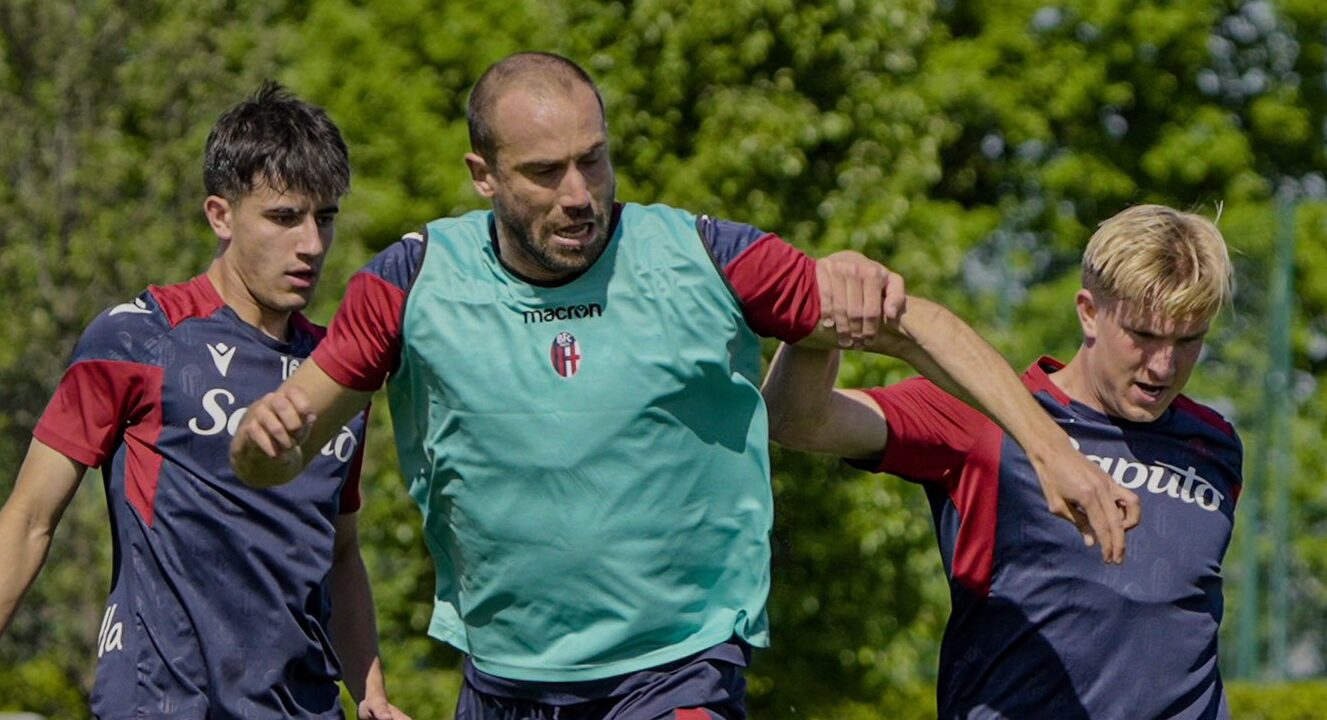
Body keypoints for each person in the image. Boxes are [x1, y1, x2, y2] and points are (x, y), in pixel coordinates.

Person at [229, 52, 1135, 719]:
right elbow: (286, 447)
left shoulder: (701, 257)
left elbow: (915, 324)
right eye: (544, 173)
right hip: (502, 677)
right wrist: (257, 444)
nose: (579, 192)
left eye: (593, 159)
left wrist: (1051, 452)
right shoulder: (411, 279)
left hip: (675, 670)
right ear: (483, 177)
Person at [0, 82, 408, 719]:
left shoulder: (338, 374)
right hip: (164, 702)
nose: (312, 244)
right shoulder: (136, 338)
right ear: (220, 215)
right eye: (284, 217)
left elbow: (341, 550)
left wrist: (373, 692)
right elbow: (27, 520)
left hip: (304, 706)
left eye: (324, 217)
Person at [763, 204, 1241, 719]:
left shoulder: (1214, 444)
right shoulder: (986, 412)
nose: (1164, 365)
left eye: (1188, 340)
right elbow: (795, 420)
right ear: (1089, 312)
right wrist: (825, 312)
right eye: (1143, 336)